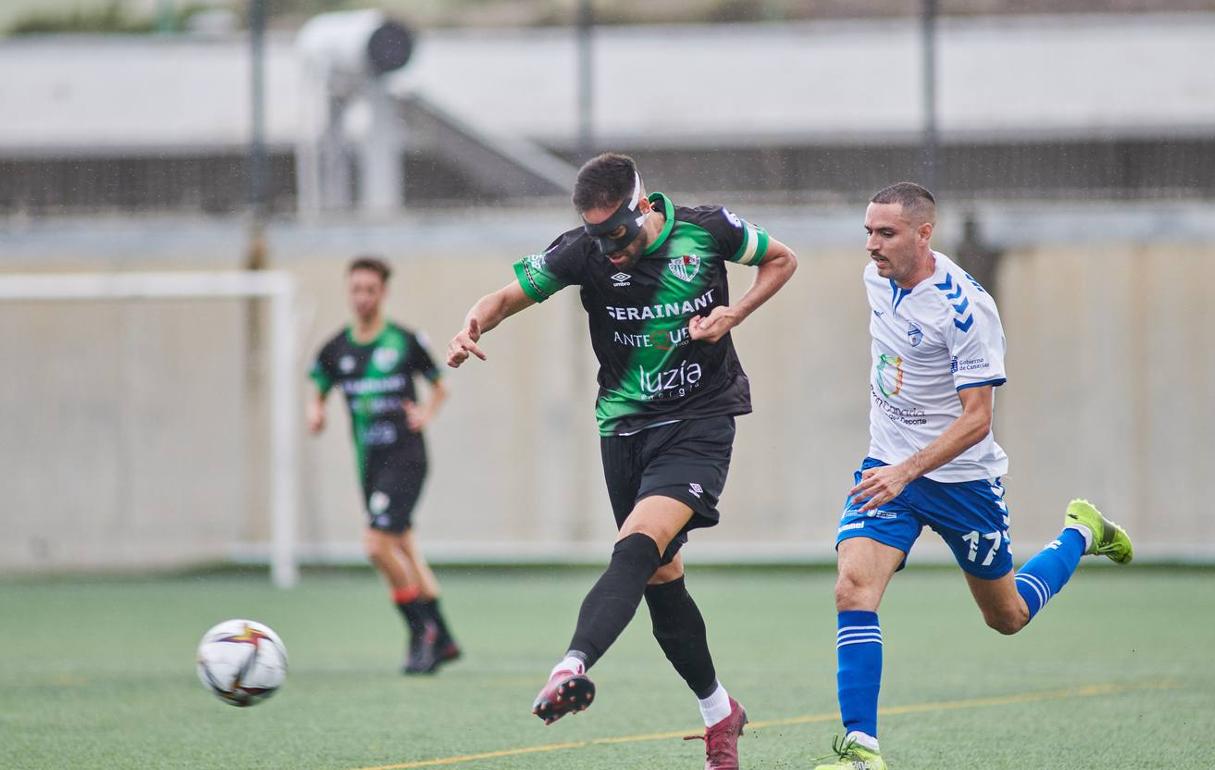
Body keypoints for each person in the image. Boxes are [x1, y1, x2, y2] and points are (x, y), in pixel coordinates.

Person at [447, 153, 796, 770]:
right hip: (623, 430)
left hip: (699, 423)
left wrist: (734, 312)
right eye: (595, 235)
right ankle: (720, 712)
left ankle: (570, 665)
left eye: (616, 234)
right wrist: (473, 323)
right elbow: (504, 297)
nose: (607, 249)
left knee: (635, 547)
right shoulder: (583, 250)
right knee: (661, 579)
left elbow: (781, 259)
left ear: (643, 208)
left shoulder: (706, 229)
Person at [814, 183, 1133, 770]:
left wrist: (908, 470)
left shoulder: (966, 309)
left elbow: (978, 420)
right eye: (868, 232)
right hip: (887, 471)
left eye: (886, 234)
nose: (872, 246)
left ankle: (1081, 533)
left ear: (924, 233)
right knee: (853, 588)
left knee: (1006, 617)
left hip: (962, 482)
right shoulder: (875, 279)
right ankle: (861, 750)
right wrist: (895, 468)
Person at [308, 256, 460, 675]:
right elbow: (317, 385)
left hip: (406, 457)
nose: (362, 297)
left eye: (370, 289)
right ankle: (444, 638)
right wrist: (315, 411)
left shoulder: (404, 342)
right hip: (370, 462)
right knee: (404, 547)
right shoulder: (337, 348)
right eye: (355, 289)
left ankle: (420, 631)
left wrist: (427, 413)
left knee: (377, 545)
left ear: (383, 293)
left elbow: (441, 385)